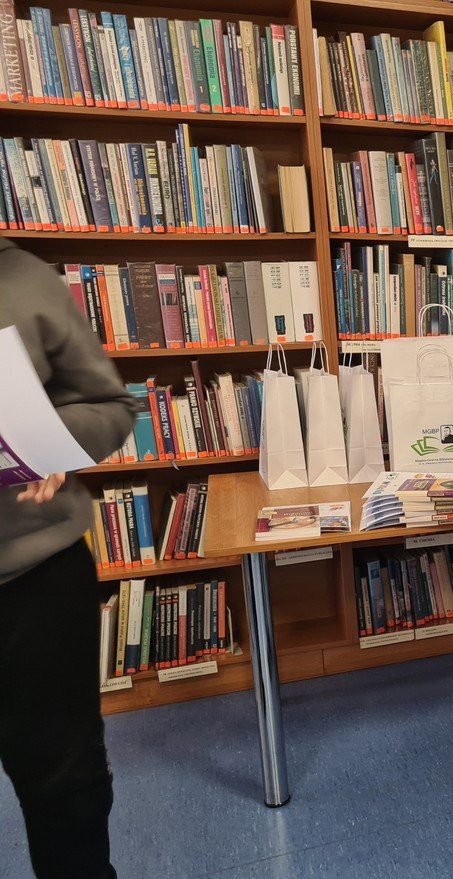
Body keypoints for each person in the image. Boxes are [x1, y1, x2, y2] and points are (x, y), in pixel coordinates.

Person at [0, 238, 136, 879]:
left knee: (66, 790)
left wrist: (50, 441)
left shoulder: (24, 278)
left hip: (33, 578)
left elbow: (110, 404)